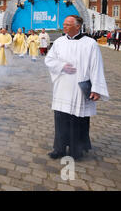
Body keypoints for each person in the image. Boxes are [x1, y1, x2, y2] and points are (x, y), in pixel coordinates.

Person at [45, 15, 109, 160]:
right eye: (64, 24)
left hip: (80, 87)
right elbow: (49, 59)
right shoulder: (59, 42)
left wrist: (96, 89)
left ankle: (76, 150)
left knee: (77, 119)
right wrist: (61, 66)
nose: (64, 26)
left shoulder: (90, 43)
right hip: (63, 86)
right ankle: (59, 148)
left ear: (78, 26)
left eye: (68, 24)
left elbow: (96, 66)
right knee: (61, 119)